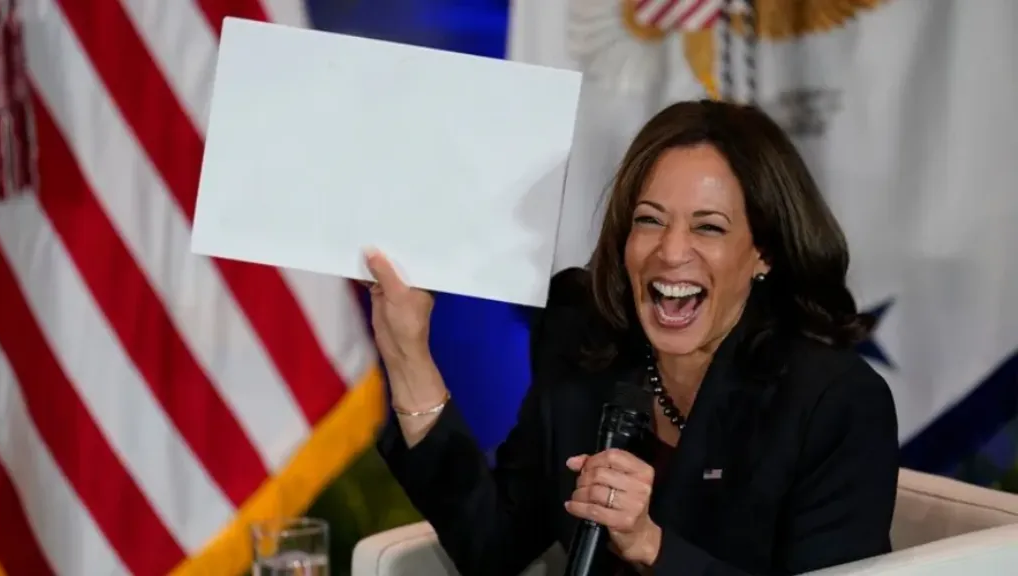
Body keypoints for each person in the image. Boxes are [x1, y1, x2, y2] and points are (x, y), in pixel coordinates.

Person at [366, 100, 900, 575]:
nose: (670, 252)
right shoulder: (585, 348)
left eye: (708, 227)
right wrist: (407, 353)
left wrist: (649, 545)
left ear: (763, 253)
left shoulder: (834, 402)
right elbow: (491, 546)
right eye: (649, 221)